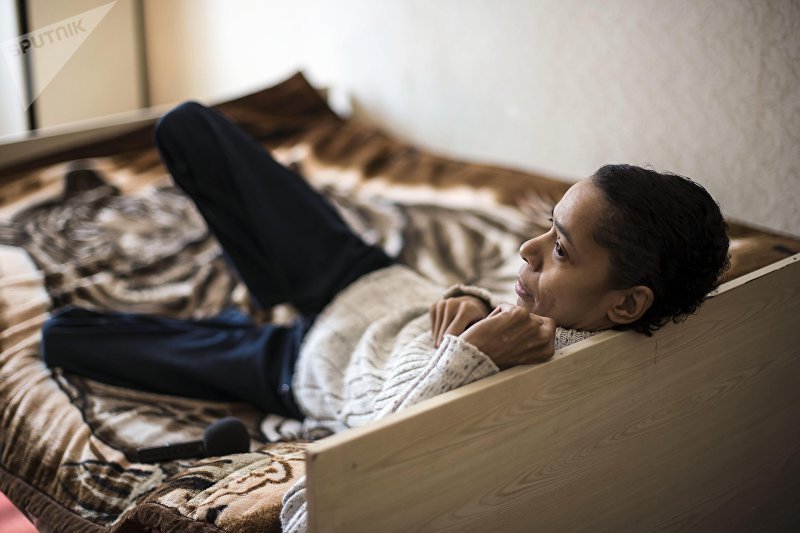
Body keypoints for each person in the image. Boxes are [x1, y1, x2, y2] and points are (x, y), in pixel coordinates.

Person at [40, 102, 730, 438]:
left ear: (626, 304)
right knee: (185, 126)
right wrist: (467, 299)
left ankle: (256, 318)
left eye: (560, 249)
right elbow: (493, 299)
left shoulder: (548, 389)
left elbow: (383, 443)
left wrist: (469, 355)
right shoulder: (567, 308)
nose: (528, 250)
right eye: (547, 227)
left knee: (63, 337)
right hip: (364, 278)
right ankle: (270, 289)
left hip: (298, 365)